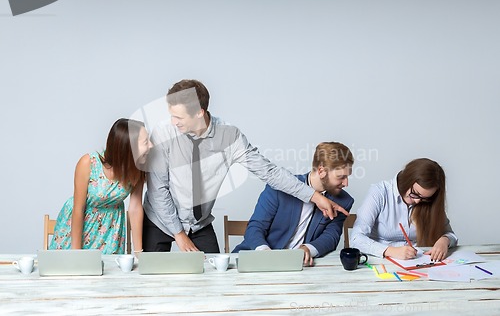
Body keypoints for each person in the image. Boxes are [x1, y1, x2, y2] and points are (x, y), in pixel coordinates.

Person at [142, 79, 349, 253]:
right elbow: (158, 189)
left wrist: (314, 196)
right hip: (159, 220)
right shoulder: (163, 133)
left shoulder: (229, 137)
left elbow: (269, 172)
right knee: (153, 284)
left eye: (178, 117)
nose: (173, 121)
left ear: (199, 112)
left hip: (198, 224)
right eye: (171, 115)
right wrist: (179, 234)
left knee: (216, 282)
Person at [233, 142, 355, 266]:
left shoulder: (343, 201)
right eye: (341, 177)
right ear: (321, 171)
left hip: (300, 267)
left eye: (347, 177)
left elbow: (331, 237)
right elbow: (255, 227)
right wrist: (265, 252)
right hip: (257, 260)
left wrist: (308, 249)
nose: (346, 183)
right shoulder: (280, 186)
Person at [50, 118, 152, 254]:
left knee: (109, 271)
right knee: (70, 269)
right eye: (146, 142)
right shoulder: (88, 163)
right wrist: (76, 253)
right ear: (128, 147)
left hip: (111, 230)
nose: (151, 145)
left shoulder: (137, 167)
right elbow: (78, 209)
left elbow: (135, 208)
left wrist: (139, 253)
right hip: (80, 226)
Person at [350, 158, 458, 261]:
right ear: (407, 180)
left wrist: (444, 241)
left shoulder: (430, 201)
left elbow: (450, 234)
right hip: (380, 262)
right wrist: (390, 251)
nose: (418, 202)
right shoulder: (380, 192)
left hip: (416, 262)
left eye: (425, 199)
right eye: (415, 194)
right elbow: (356, 239)